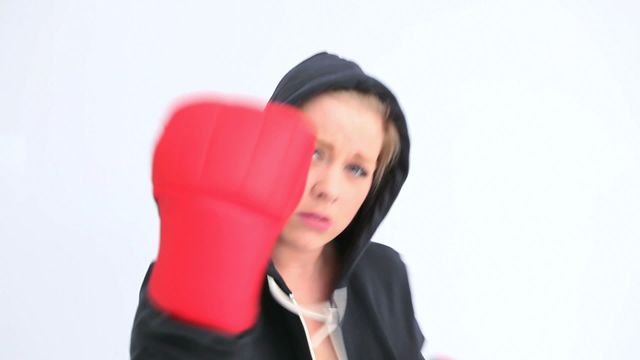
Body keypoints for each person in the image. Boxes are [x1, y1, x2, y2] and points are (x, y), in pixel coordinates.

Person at [130, 52, 425, 359]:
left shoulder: (383, 273)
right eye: (313, 154)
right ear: (269, 150)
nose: (328, 189)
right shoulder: (197, 276)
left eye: (356, 169)